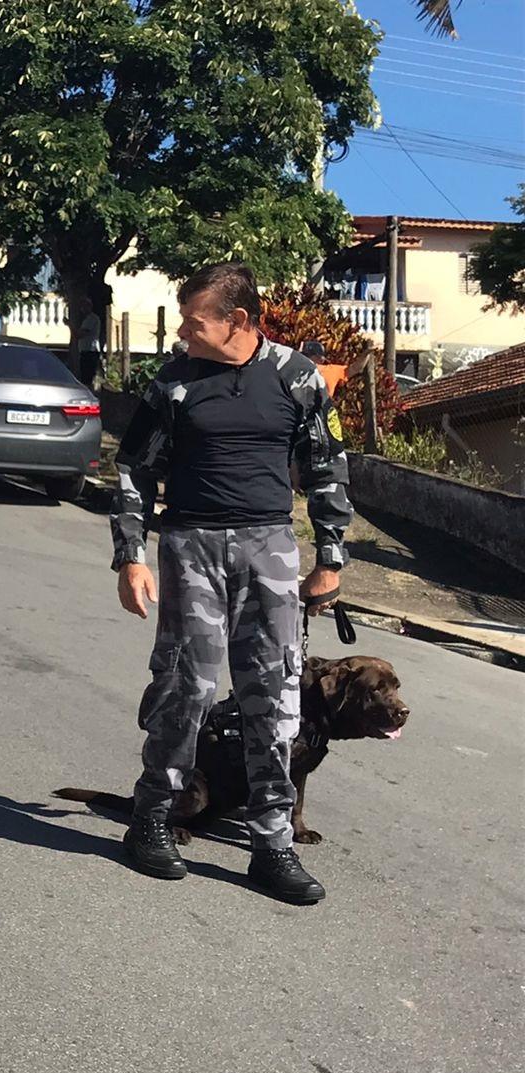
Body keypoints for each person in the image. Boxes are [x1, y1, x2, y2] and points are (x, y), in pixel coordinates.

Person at [111, 261, 352, 905]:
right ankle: (152, 818)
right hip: (190, 545)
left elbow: (326, 468)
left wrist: (330, 556)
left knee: (274, 696)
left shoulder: (296, 377)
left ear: (237, 321)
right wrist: (130, 553)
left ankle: (272, 845)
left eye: (194, 322)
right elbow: (134, 469)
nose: (182, 334)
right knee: (186, 685)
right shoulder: (175, 381)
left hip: (269, 549)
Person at [73, 296, 102, 387]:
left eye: (84, 306)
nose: (82, 309)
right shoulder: (87, 319)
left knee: (87, 378)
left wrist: (69, 325)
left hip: (90, 352)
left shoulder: (91, 319)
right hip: (86, 351)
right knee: (85, 376)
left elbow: (79, 335)